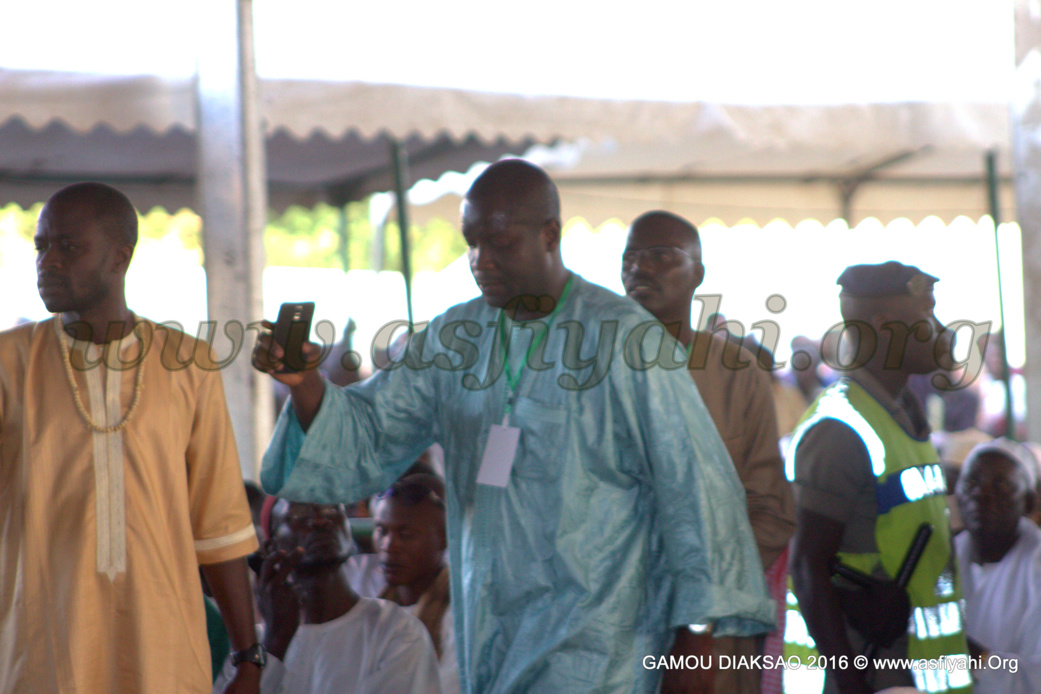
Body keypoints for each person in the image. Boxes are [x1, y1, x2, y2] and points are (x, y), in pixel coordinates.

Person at [253, 159, 774, 693]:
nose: (481, 260)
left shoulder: (626, 339)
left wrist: (696, 637)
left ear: (551, 235)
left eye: (500, 241)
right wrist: (306, 384)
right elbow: (368, 432)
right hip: (490, 638)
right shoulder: (456, 337)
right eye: (471, 242)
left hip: (601, 647)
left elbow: (695, 495)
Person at [0, 182, 261, 693]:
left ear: (120, 257)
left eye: (68, 247)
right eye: (41, 245)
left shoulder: (189, 364)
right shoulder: (10, 363)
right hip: (42, 656)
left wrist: (247, 655)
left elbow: (221, 524)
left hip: (163, 655)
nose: (47, 262)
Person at [622, 210, 795, 694]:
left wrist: (706, 600)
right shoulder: (590, 375)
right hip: (611, 627)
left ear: (698, 273)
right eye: (631, 258)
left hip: (714, 635)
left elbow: (772, 510)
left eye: (660, 256)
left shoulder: (736, 373)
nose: (641, 268)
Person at [785, 262, 973, 694]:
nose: (944, 330)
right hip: (870, 674)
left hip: (918, 669)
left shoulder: (902, 411)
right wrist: (851, 684)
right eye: (927, 316)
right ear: (885, 326)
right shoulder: (839, 428)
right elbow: (807, 566)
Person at [215, 499, 442, 693]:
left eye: (332, 508)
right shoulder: (248, 648)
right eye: (300, 513)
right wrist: (274, 645)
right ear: (272, 545)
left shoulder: (394, 630)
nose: (321, 520)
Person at [955, 439, 1041, 693]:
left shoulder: (1036, 570)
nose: (981, 494)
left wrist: (975, 657)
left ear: (1028, 502)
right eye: (971, 482)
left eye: (1000, 486)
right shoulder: (943, 558)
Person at [373, 474, 460, 694]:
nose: (389, 546)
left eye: (406, 534)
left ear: (443, 538)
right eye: (381, 531)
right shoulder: (372, 604)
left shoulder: (460, 614)